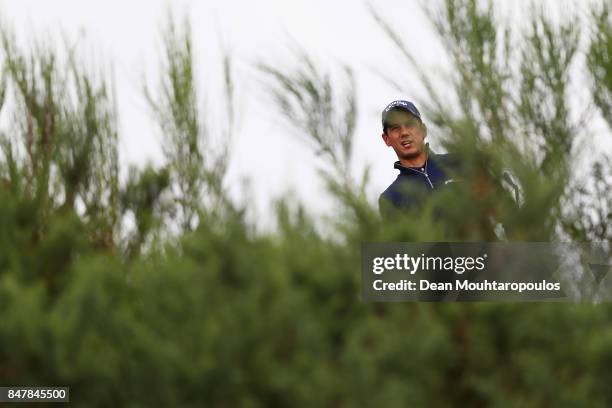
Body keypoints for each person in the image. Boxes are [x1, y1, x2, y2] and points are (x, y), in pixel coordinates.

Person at [378, 100, 458, 218]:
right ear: (386, 139)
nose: (404, 132)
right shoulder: (390, 198)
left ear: (423, 130)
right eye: (395, 128)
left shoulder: (459, 162)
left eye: (409, 124)